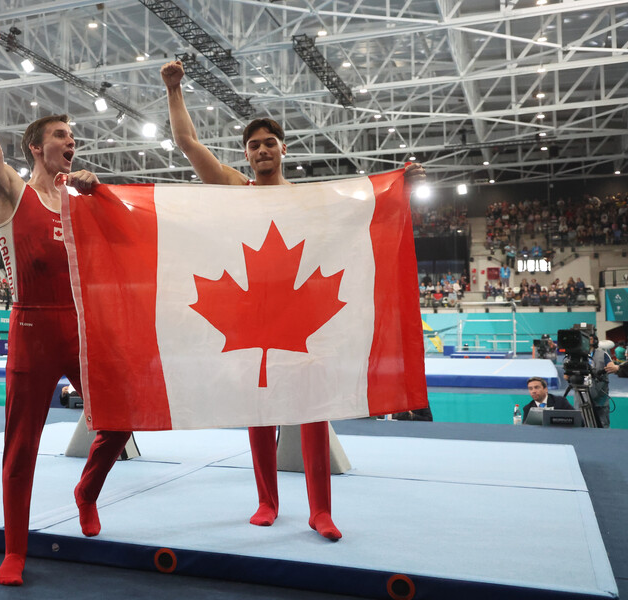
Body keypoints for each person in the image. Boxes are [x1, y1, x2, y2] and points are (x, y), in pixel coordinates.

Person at [155, 59, 426, 542]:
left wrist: (398, 180)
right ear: (246, 154)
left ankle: (320, 511)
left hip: (300, 318)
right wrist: (175, 90)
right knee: (258, 414)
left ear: (283, 149)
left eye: (269, 143)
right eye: (253, 145)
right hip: (250, 315)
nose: (261, 150)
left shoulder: (307, 199)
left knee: (312, 412)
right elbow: (188, 145)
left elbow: (362, 206)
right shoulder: (235, 190)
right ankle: (266, 501)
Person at [0, 28, 132, 586]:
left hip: (82, 327)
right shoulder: (12, 191)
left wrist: (101, 197)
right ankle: (14, 550)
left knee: (120, 421)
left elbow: (130, 245)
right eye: (62, 135)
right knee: (22, 447)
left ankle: (86, 490)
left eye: (74, 136)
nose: (72, 142)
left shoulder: (85, 199)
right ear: (36, 146)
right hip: (33, 325)